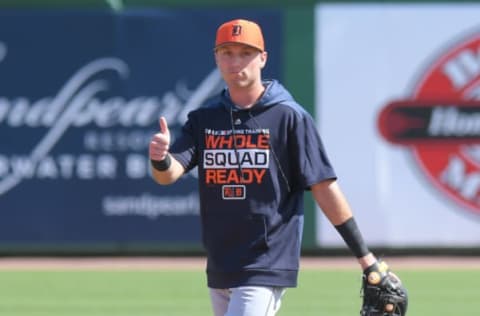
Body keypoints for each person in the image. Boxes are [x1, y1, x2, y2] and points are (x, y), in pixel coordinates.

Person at [149, 18, 400, 316]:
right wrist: (160, 157)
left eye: (246, 53)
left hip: (266, 261)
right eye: (227, 52)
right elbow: (168, 174)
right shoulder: (205, 118)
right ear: (216, 57)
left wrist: (365, 258)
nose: (236, 61)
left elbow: (323, 186)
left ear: (263, 58)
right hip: (220, 261)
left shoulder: (289, 117)